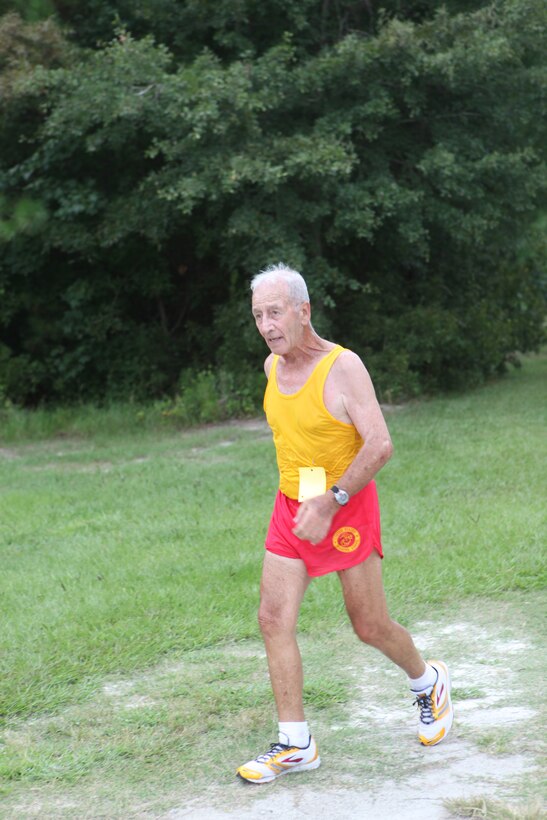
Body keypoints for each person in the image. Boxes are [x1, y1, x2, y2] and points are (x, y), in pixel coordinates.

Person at [236, 263, 453, 785]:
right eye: (258, 315)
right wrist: (306, 499)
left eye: (275, 312)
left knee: (369, 625)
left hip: (345, 505)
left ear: (303, 310)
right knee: (272, 619)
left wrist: (331, 500)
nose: (266, 324)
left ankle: (428, 682)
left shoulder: (343, 366)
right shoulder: (271, 368)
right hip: (293, 506)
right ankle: (295, 743)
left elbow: (379, 444)